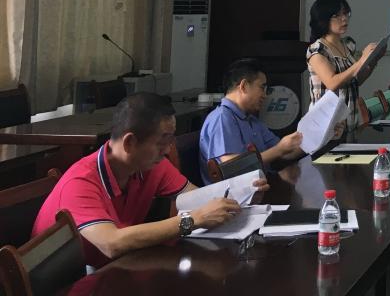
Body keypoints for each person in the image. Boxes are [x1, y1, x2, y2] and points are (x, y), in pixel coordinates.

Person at [32, 92, 268, 267]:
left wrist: (241, 197)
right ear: (129, 143)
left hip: (116, 269)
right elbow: (112, 243)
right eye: (162, 141)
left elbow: (197, 198)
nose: (168, 150)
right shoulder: (81, 183)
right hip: (74, 282)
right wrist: (191, 221)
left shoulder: (151, 166)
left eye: (171, 140)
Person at [199, 58, 305, 183]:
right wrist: (279, 150)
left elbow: (286, 152)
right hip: (233, 193)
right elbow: (231, 167)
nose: (265, 95)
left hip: (260, 186)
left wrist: (316, 141)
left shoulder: (252, 120)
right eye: (262, 87)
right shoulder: (222, 117)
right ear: (244, 86)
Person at [306, 0, 382, 108]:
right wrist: (361, 60)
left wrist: (373, 60)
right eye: (337, 15)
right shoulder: (317, 49)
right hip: (327, 117)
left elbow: (355, 81)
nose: (344, 18)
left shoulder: (348, 45)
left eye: (346, 13)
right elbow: (332, 83)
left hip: (349, 115)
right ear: (323, 19)